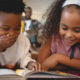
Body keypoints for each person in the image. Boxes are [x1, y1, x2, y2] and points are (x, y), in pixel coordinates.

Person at [37, 0, 80, 75]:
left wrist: (58, 58)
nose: (69, 35)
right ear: (58, 22)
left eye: (77, 30)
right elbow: (41, 63)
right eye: (64, 28)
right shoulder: (53, 37)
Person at [0, 0, 39, 71]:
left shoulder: (22, 40)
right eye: (5, 29)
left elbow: (24, 58)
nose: (12, 33)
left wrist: (29, 63)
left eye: (17, 29)